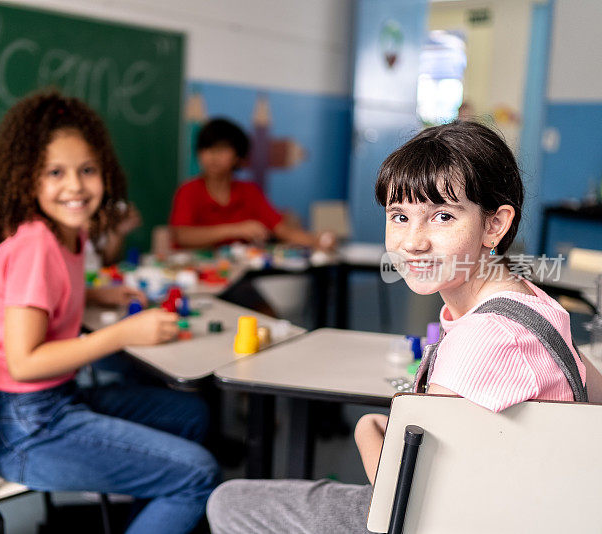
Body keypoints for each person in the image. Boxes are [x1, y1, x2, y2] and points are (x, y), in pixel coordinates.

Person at [205, 121, 602, 533]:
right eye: (399, 216)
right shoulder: (534, 303)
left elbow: (417, 504)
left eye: (442, 216)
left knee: (227, 501)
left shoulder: (486, 340)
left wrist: (366, 431)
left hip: (458, 517)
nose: (413, 241)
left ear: (494, 225)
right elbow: (594, 397)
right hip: (525, 507)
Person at [0, 90, 219, 534]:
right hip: (25, 426)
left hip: (44, 403)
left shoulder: (67, 235)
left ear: (104, 172)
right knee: (198, 474)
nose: (75, 186)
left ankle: (149, 516)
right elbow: (24, 363)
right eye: (55, 173)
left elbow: (50, 292)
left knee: (191, 414)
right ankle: (164, 505)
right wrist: (122, 334)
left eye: (87, 170)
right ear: (27, 179)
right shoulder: (36, 245)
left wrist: (97, 297)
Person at [169, 118, 335, 250]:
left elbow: (281, 229)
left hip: (236, 274)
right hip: (194, 275)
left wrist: (316, 240)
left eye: (222, 149)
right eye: (207, 149)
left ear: (237, 156)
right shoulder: (188, 190)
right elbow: (182, 236)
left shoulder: (249, 191)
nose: (213, 156)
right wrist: (236, 229)